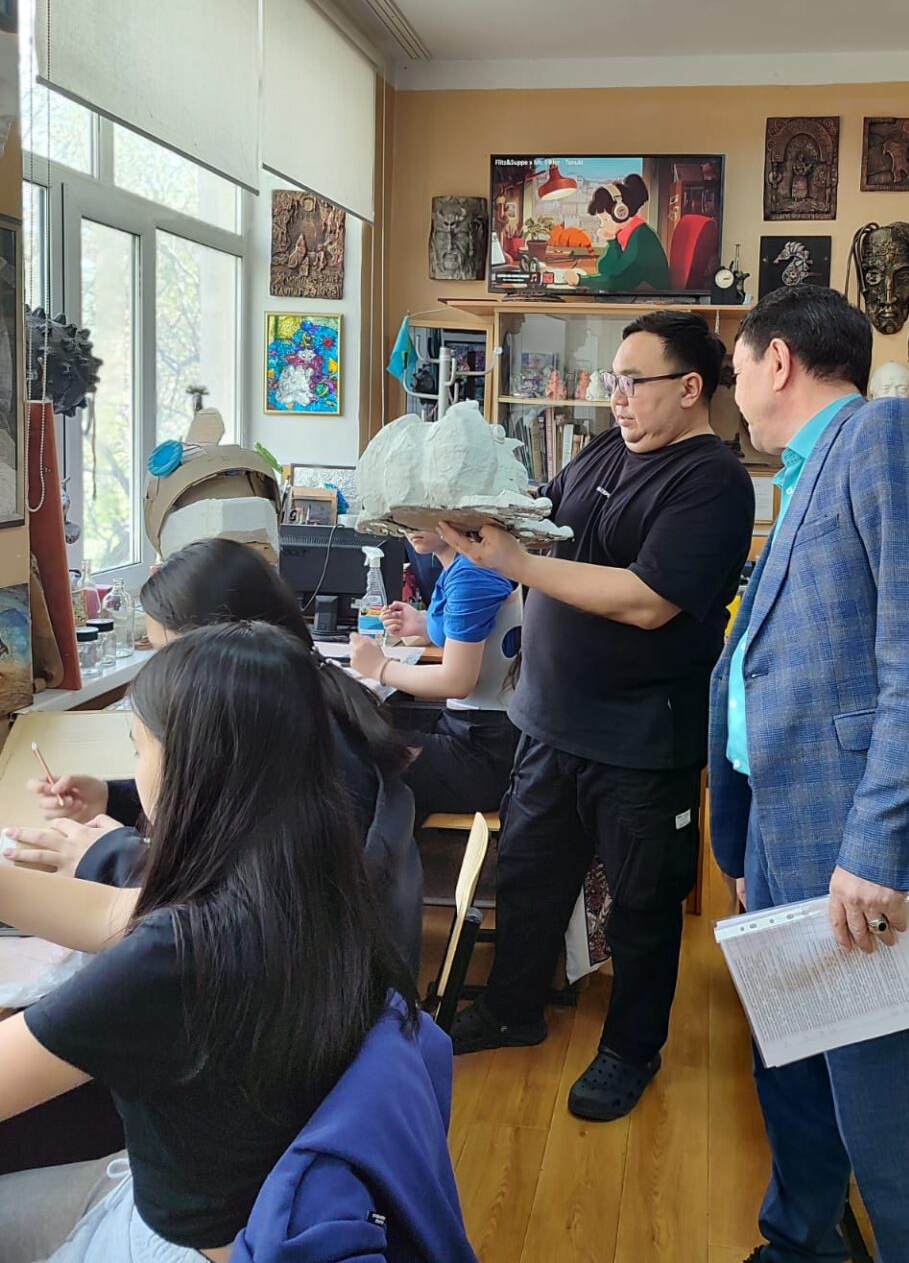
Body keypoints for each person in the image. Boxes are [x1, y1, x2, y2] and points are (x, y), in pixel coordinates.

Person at [710, 285, 909, 1263]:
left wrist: (880, 844)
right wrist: (748, 841)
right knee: (793, 1074)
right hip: (785, 827)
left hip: (851, 839)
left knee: (882, 1107)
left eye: (735, 369)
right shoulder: (808, 469)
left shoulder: (891, 434)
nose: (733, 390)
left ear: (777, 361)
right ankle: (802, 1243)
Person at [0, 623, 475, 1263]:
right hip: (235, 1204)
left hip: (181, 1245)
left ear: (190, 770)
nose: (135, 771)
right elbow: (118, 914)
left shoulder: (178, 959)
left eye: (138, 749)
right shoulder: (309, 886)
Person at [445, 309, 755, 1121]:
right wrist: (467, 523)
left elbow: (648, 601)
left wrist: (518, 563)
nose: (615, 397)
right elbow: (541, 518)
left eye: (633, 382)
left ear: (690, 389)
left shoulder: (713, 482)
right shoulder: (605, 451)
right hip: (548, 721)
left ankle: (630, 1049)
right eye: (613, 381)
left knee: (642, 905)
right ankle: (512, 1008)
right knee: (528, 877)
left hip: (640, 739)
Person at [10, 538, 422, 978]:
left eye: (172, 654)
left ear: (228, 648)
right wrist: (111, 798)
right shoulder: (305, 698)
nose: (163, 674)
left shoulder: (301, 736)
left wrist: (110, 856)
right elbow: (220, 799)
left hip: (306, 978)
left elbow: (233, 906)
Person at [349, 530, 522, 825]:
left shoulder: (472, 573)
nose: (411, 527)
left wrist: (380, 668)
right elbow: (484, 631)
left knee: (351, 752)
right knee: (364, 733)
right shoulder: (465, 564)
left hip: (484, 755)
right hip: (472, 732)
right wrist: (424, 624)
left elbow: (457, 681)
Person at [578, 174, 671, 293]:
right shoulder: (626, 234)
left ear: (621, 213)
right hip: (635, 294)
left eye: (605, 220)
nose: (602, 225)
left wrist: (581, 280)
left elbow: (618, 281)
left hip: (651, 298)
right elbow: (604, 268)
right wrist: (612, 241)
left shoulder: (641, 238)